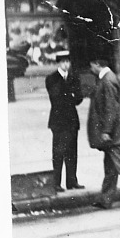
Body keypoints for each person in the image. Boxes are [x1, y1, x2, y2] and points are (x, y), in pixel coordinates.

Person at [87, 58, 120, 209]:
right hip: (116, 132)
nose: (91, 68)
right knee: (111, 167)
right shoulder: (109, 78)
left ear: (97, 64)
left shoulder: (107, 80)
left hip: (114, 134)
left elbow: (110, 107)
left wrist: (106, 131)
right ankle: (105, 199)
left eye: (91, 65)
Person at [45, 50, 85, 192]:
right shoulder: (52, 78)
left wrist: (68, 95)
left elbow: (79, 97)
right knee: (58, 152)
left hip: (72, 120)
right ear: (58, 63)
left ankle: (72, 181)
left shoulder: (73, 77)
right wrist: (70, 95)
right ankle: (56, 183)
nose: (66, 64)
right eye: (63, 62)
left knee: (72, 152)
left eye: (68, 62)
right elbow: (56, 98)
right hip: (59, 121)